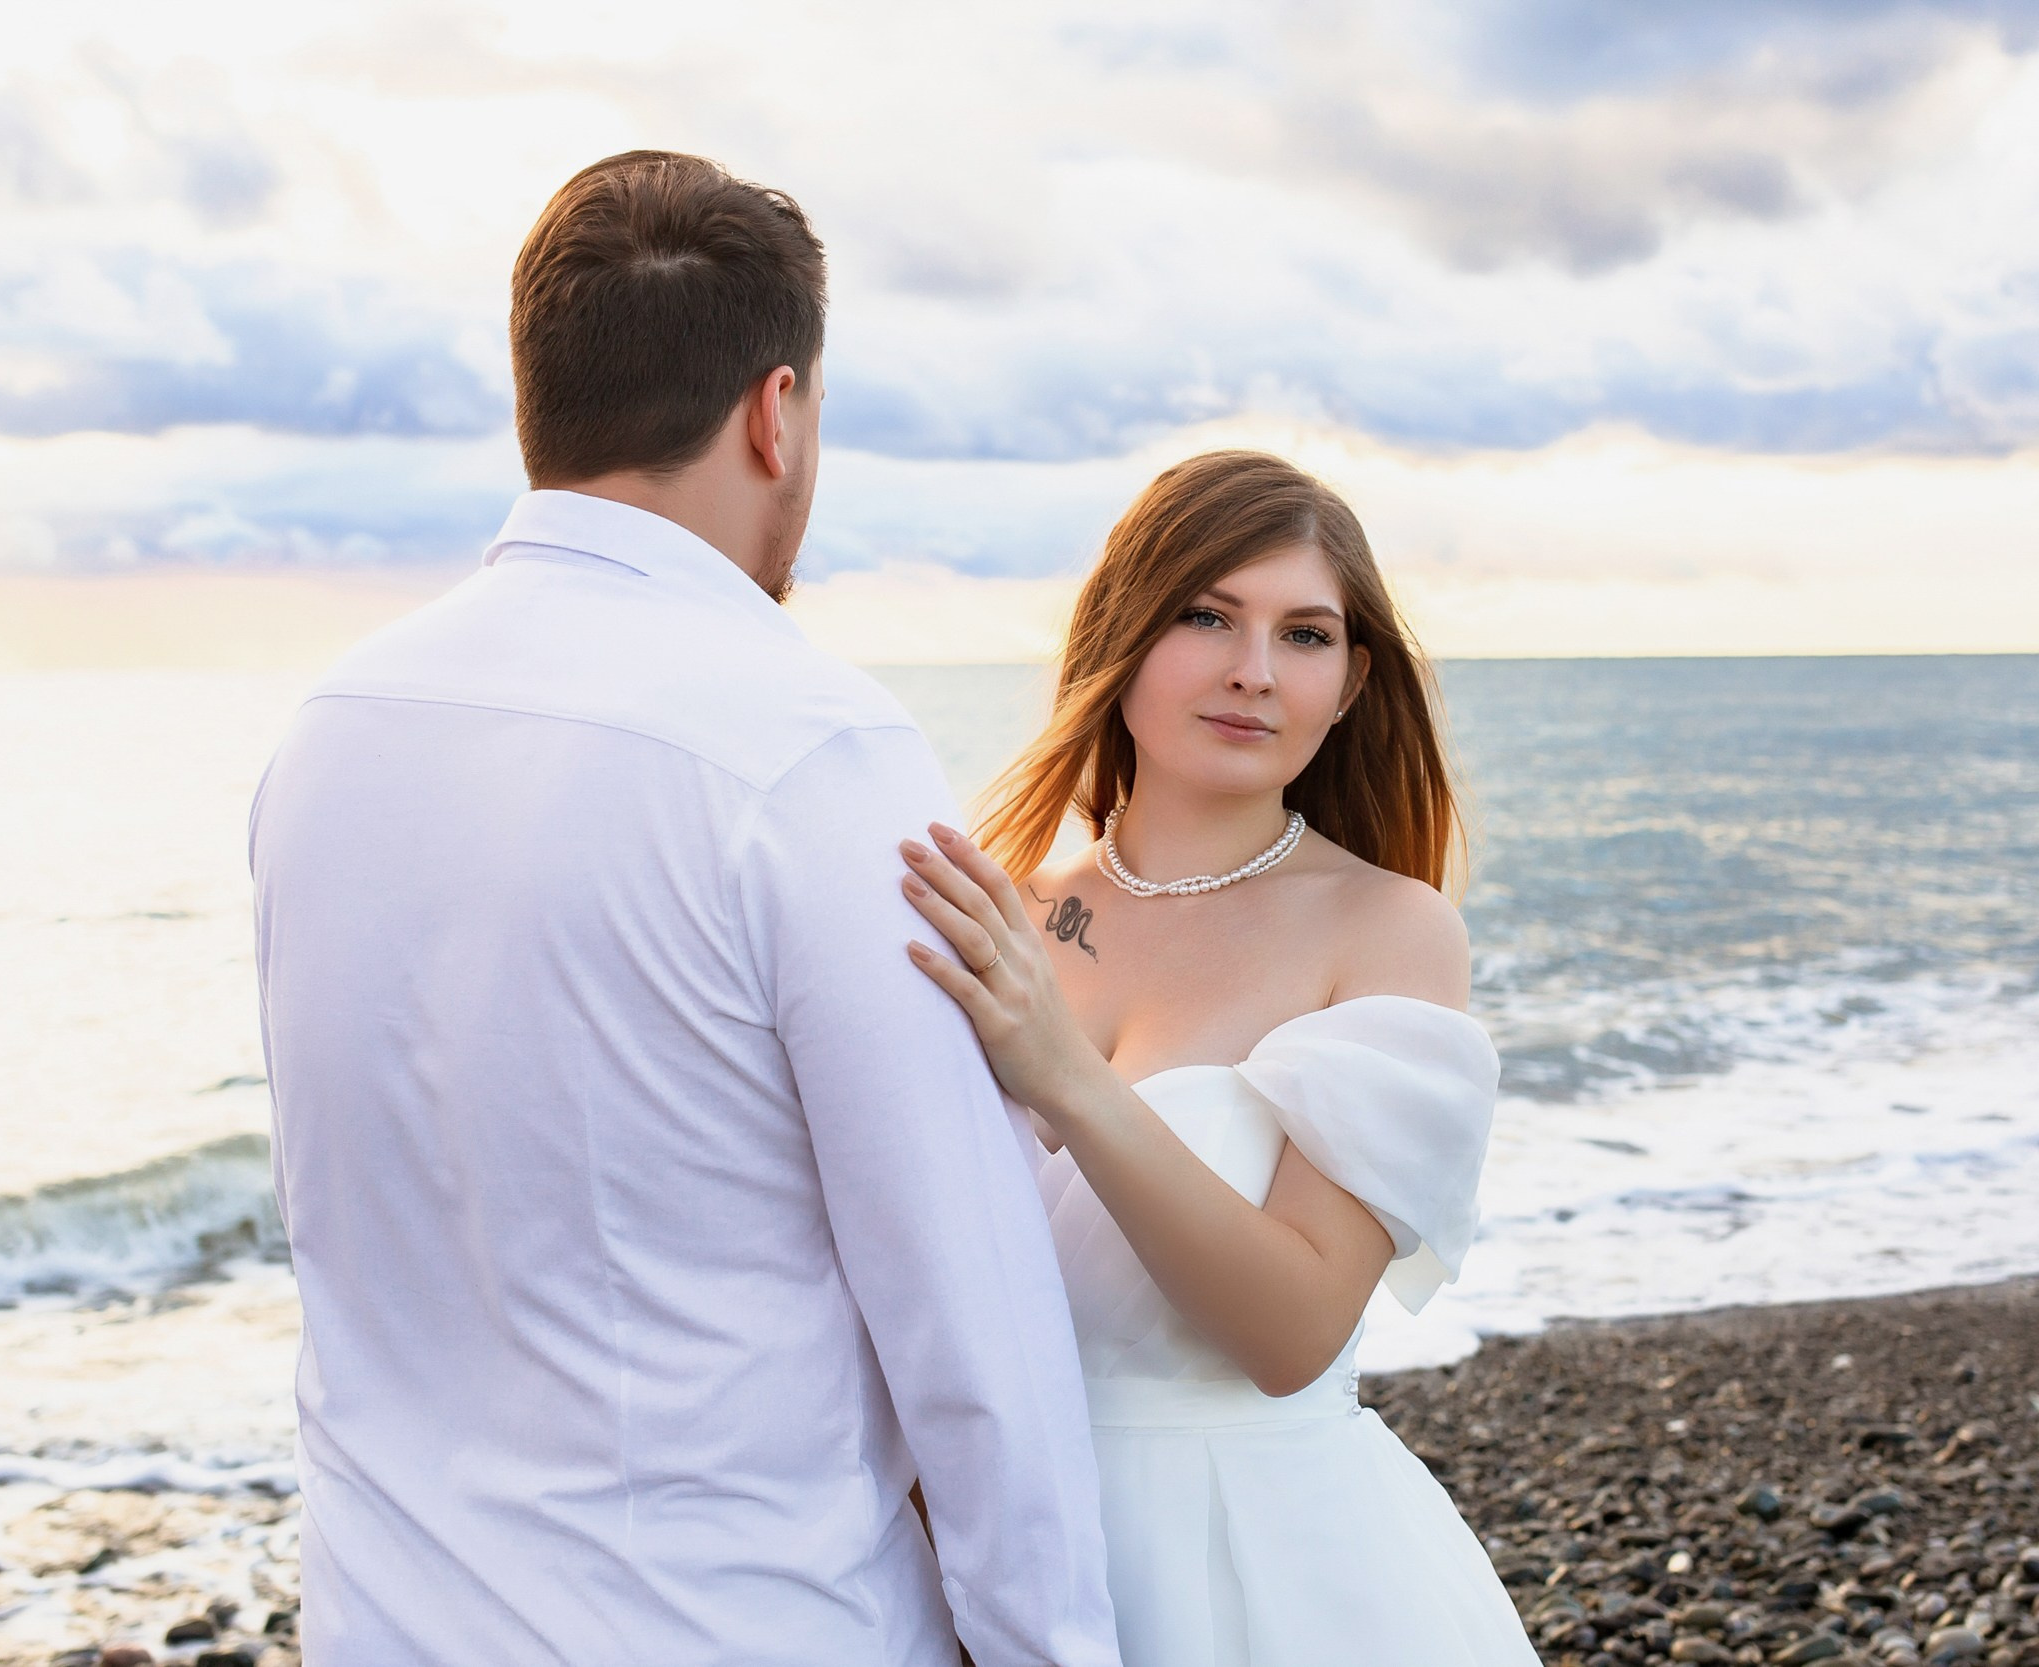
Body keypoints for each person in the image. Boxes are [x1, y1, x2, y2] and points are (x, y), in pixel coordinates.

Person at [249, 151, 1121, 1666]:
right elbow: (971, 1326)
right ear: (775, 413)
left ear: (543, 398)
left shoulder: (328, 729)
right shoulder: (813, 750)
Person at [896, 450, 1540, 1666]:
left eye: (1304, 635)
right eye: (1207, 615)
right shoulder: (1001, 915)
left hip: (1265, 1573)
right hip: (985, 1555)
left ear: (1350, 683)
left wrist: (1067, 1079)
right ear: (1124, 633)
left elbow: (1293, 1329)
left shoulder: (1388, 930)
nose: (1254, 669)